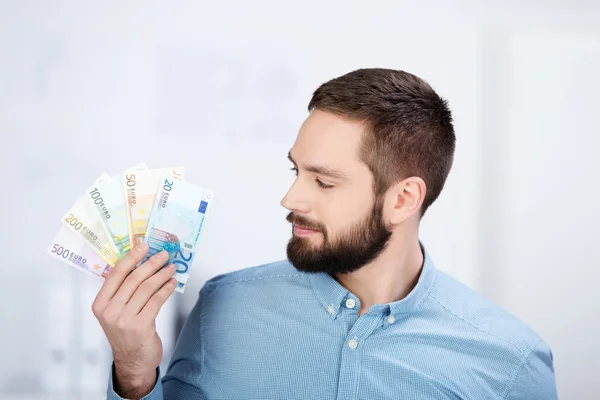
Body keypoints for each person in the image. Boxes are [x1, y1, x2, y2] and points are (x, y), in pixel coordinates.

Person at [93, 68, 557, 399]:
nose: (290, 198)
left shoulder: (510, 363)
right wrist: (134, 373)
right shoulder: (226, 306)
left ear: (403, 199)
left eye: (324, 181)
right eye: (296, 171)